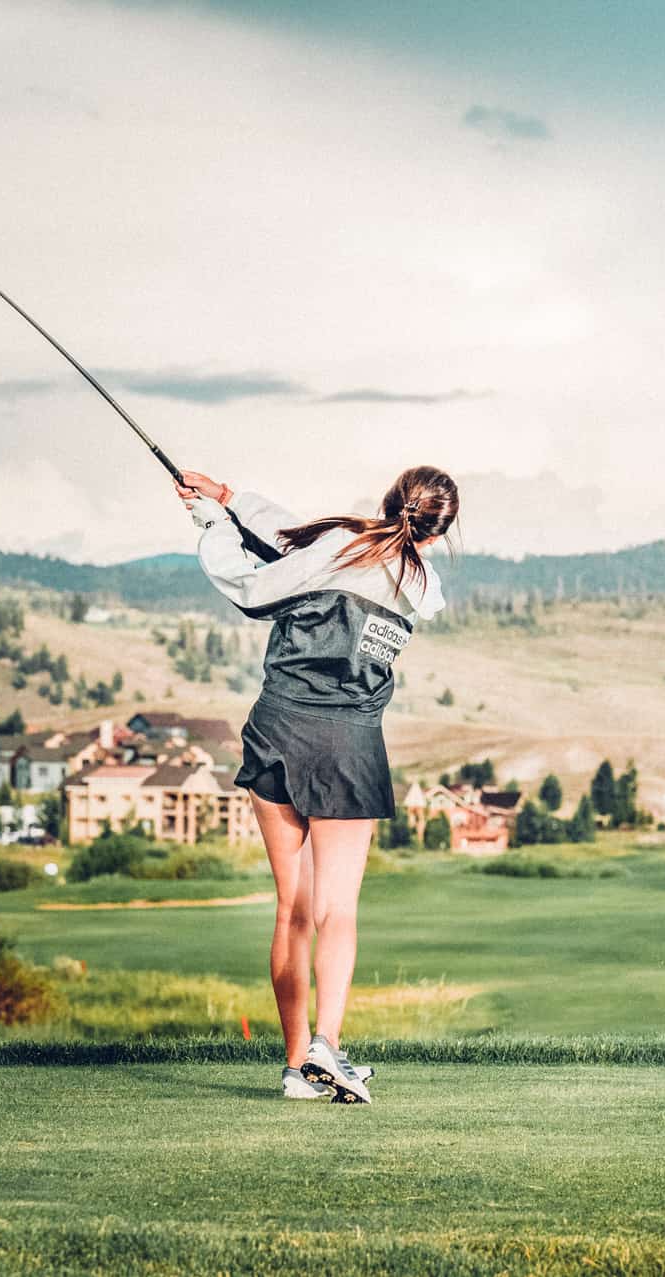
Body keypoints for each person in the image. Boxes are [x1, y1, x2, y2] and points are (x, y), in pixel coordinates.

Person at [178, 465, 457, 1103]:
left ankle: (297, 1063)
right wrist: (228, 498)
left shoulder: (338, 544)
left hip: (278, 729)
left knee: (294, 910)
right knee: (337, 909)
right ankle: (325, 1051)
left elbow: (260, 579)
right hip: (349, 747)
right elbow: (302, 540)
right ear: (439, 532)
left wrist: (215, 519)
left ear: (388, 500)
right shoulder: (422, 585)